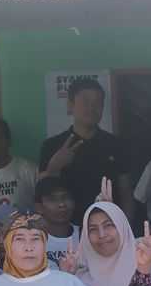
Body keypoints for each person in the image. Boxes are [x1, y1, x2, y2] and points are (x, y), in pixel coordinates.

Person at [39, 77, 135, 218]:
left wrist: (126, 231)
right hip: (66, 229)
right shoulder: (52, 145)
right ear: (70, 105)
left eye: (97, 103)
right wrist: (54, 168)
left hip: (106, 229)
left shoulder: (116, 145)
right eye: (85, 102)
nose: (92, 107)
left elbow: (126, 194)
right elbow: (39, 193)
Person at [34, 176, 79, 268]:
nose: (61, 204)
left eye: (66, 197)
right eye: (52, 199)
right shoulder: (33, 241)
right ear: (39, 207)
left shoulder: (86, 235)